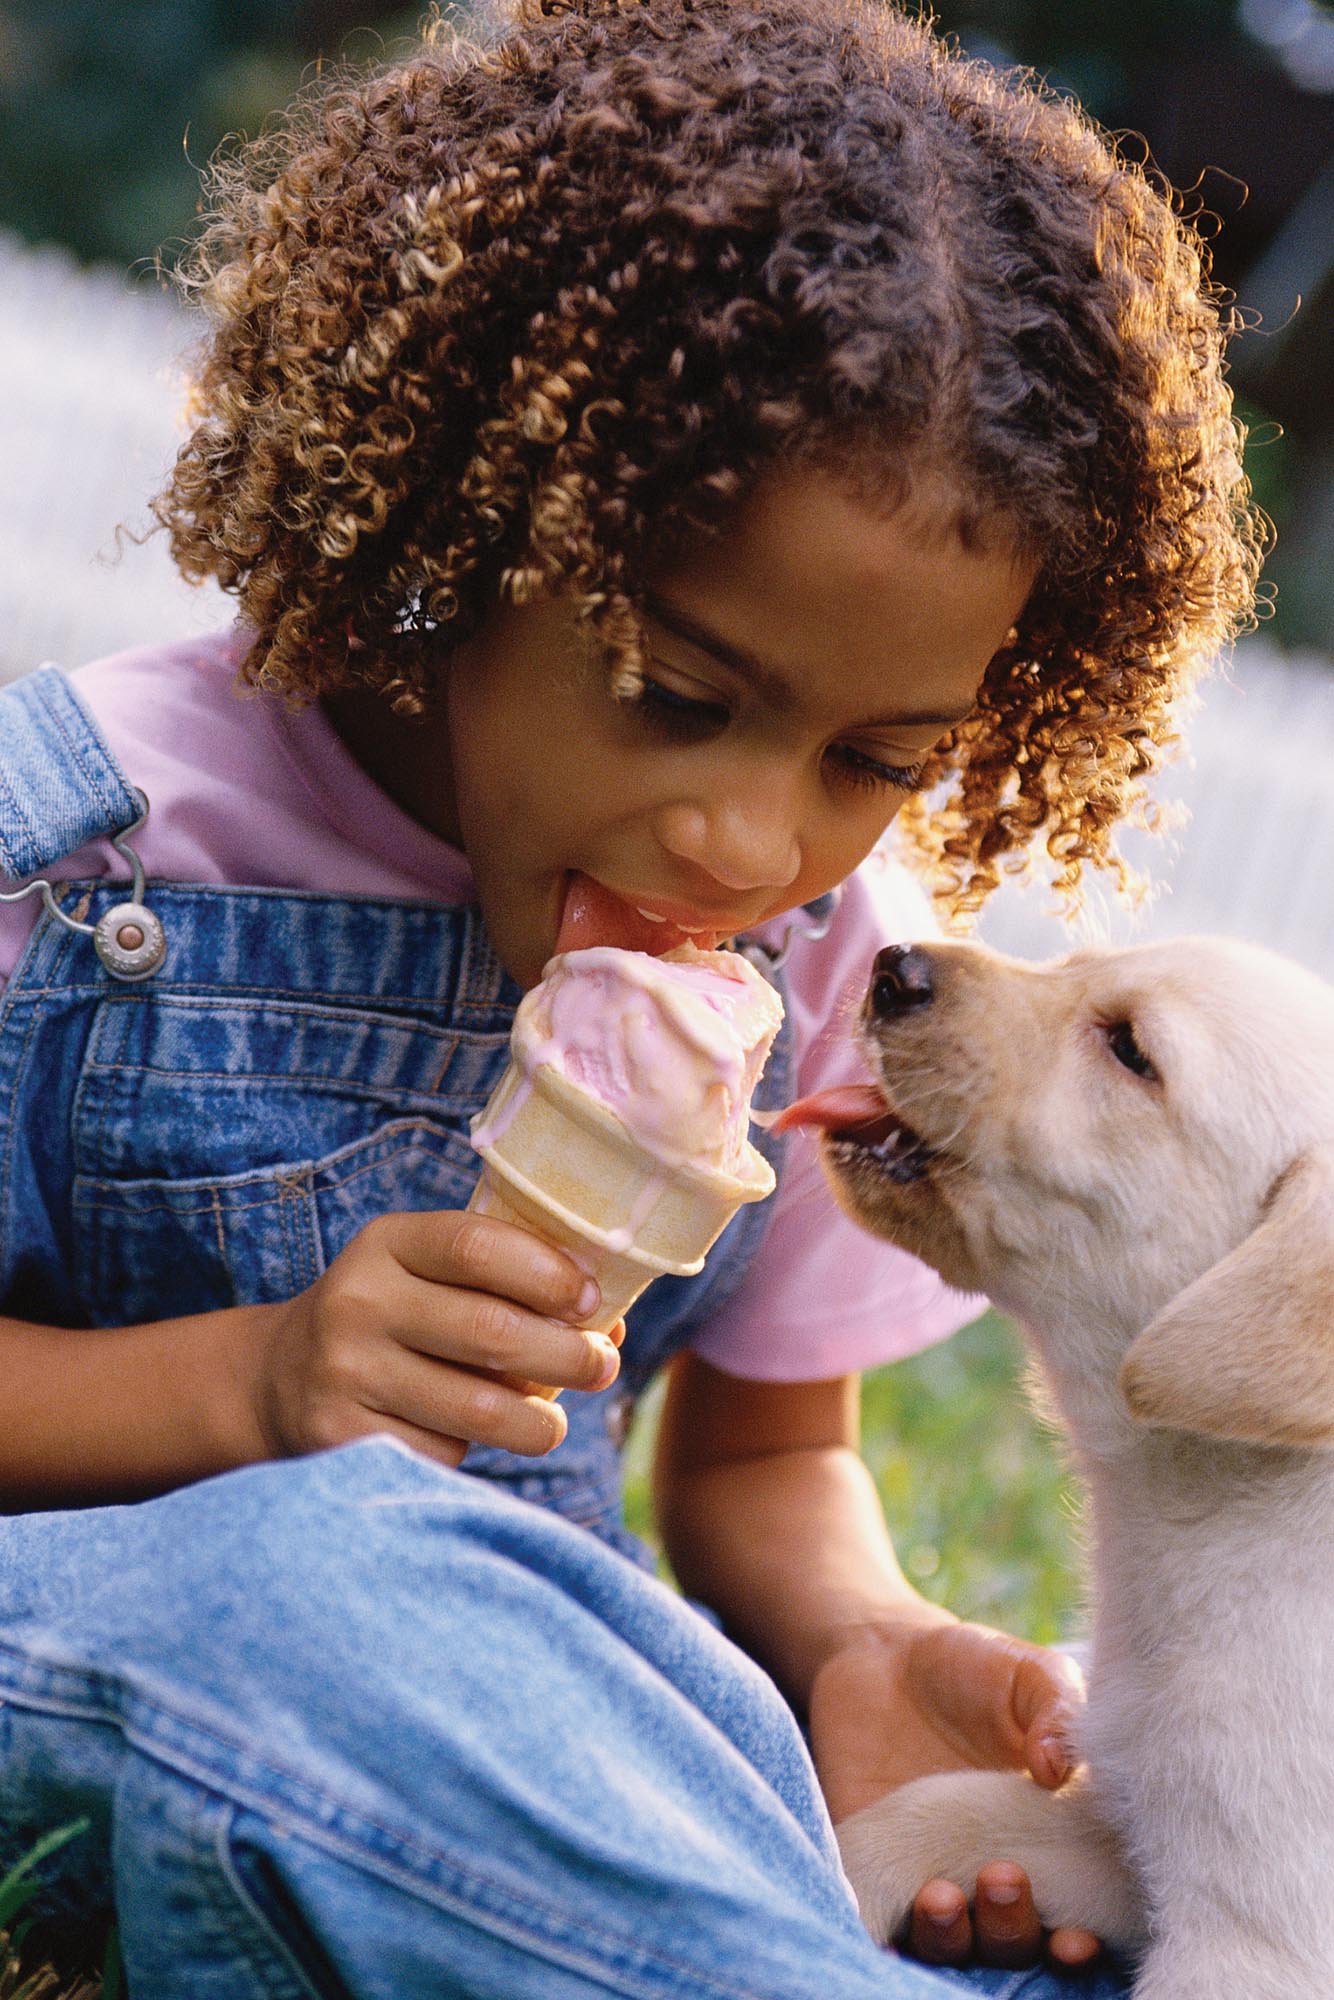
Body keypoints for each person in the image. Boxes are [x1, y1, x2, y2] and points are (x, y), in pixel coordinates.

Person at [0, 1, 1260, 1994]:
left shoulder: (825, 963)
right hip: (128, 1642)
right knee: (330, 1585)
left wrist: (853, 1646)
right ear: (466, 518)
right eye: (681, 699)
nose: (750, 844)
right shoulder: (86, 847)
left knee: (1109, 1850)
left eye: (878, 762)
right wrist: (242, 1388)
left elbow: (758, 1465)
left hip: (511, 1699)